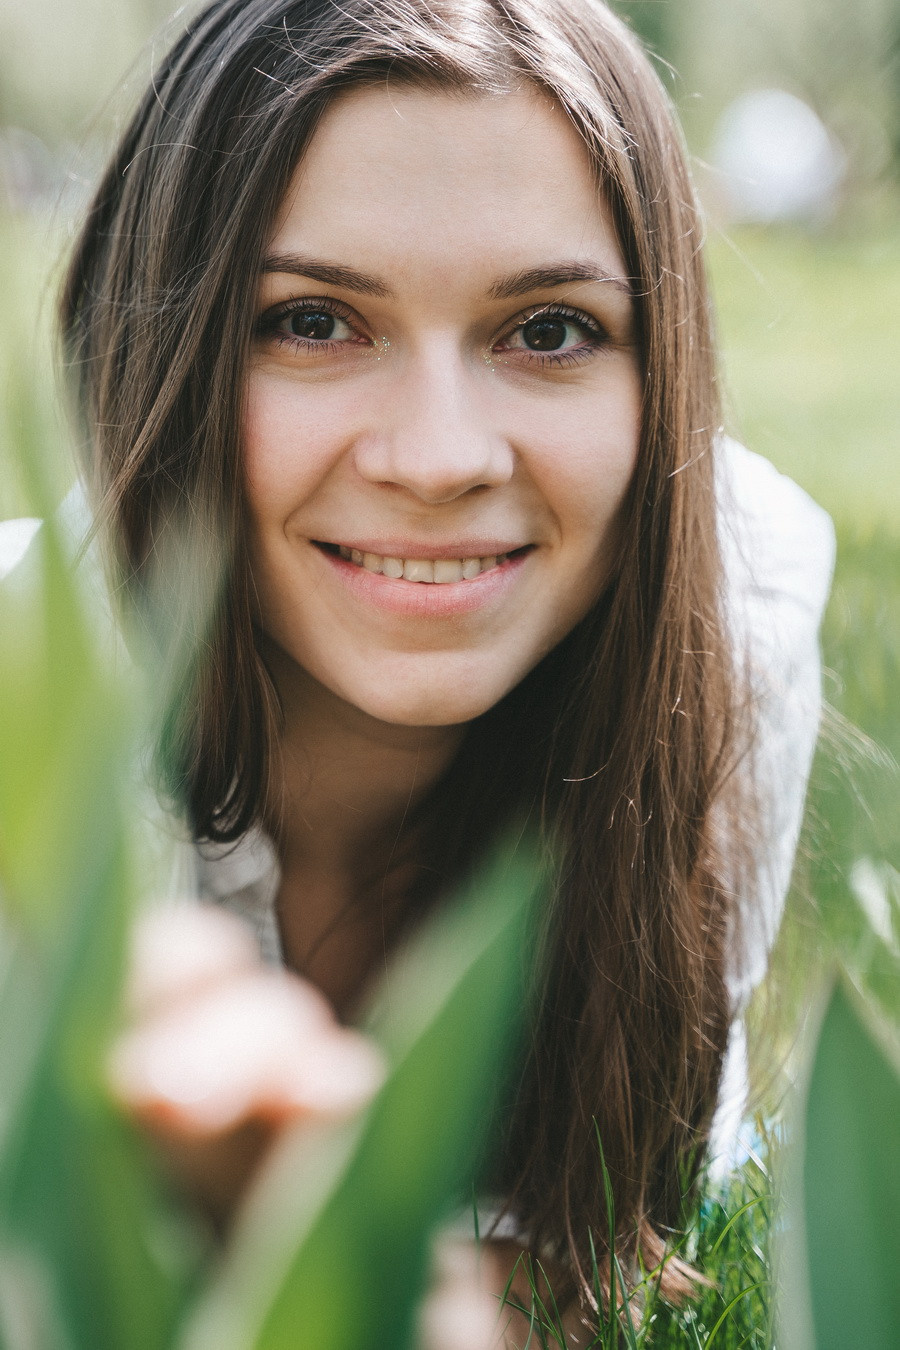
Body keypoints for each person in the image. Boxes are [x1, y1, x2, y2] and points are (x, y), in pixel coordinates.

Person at [7, 0, 833, 1339]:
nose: (441, 457)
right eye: (313, 320)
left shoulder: (736, 606)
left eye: (548, 330)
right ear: (161, 346)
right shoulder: (29, 715)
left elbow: (582, 1266)